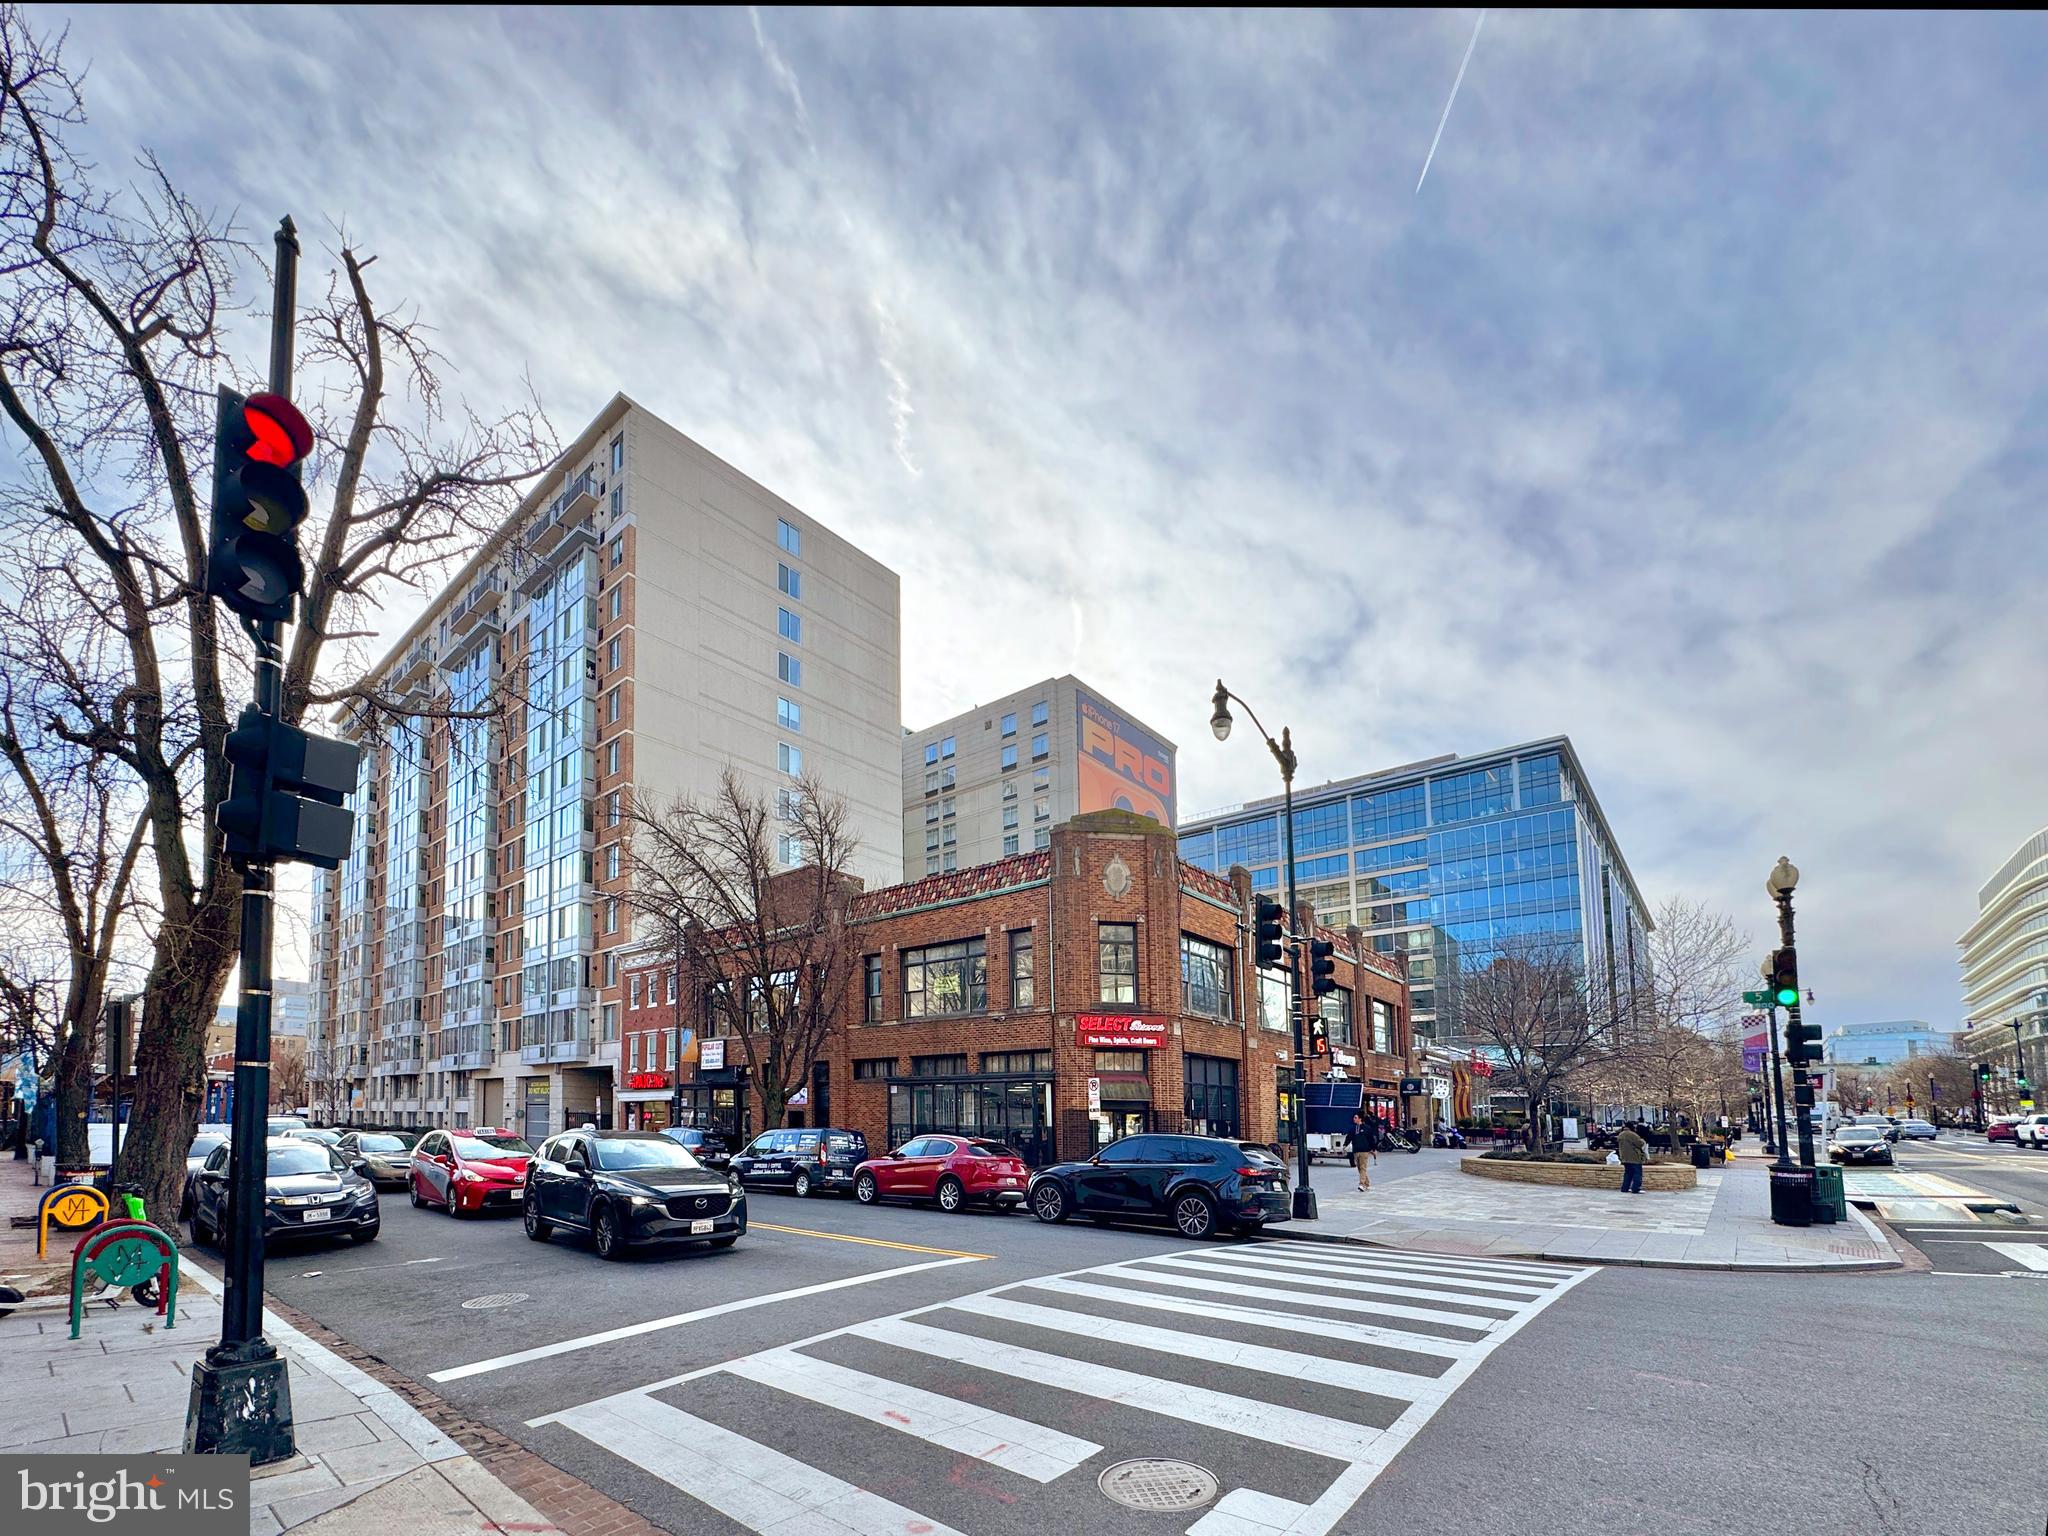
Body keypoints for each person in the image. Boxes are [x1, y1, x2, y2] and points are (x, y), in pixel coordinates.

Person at [1348, 1112, 1380, 1191]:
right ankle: (1367, 1183)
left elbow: (1371, 1140)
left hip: (1364, 1151)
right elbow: (1349, 1137)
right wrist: (1345, 1144)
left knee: (1363, 1167)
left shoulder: (1367, 1128)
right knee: (1359, 1168)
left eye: (1355, 1117)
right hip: (1356, 1150)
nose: (1354, 1119)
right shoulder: (1353, 1129)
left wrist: (1373, 1149)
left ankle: (1362, 1184)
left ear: (1360, 1119)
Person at [1617, 1122, 1648, 1194]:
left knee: (1627, 1173)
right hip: (1634, 1157)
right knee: (1637, 1173)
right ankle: (1636, 1188)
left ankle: (1625, 1188)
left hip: (1624, 1157)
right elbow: (1640, 1144)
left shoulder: (1621, 1134)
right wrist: (1643, 1140)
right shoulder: (1632, 1135)